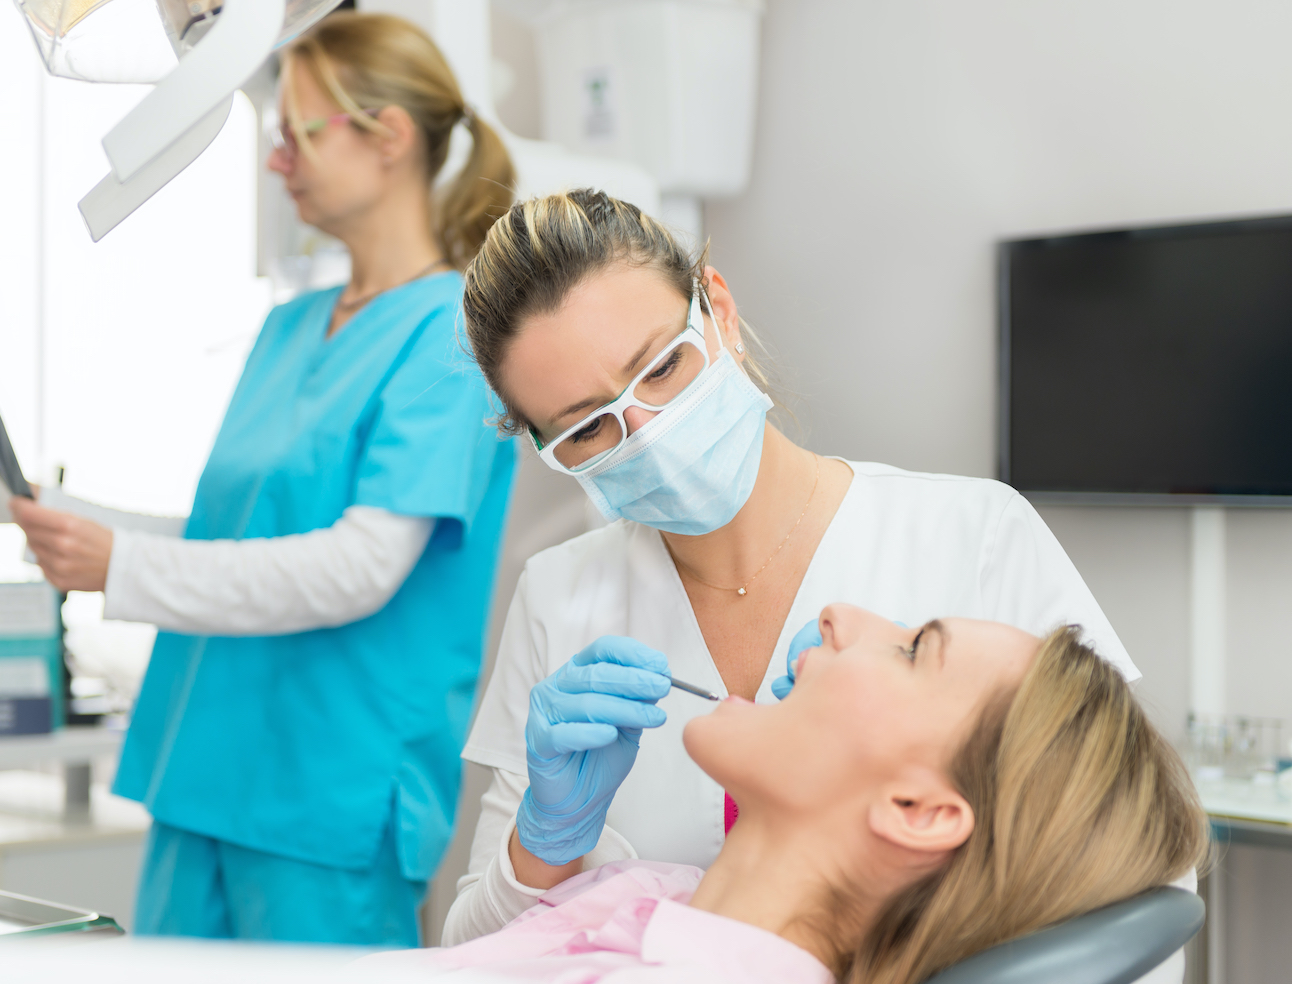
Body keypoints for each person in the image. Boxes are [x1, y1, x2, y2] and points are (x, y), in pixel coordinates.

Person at [0, 12, 516, 946]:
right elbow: (215, 536)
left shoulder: (450, 340)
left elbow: (359, 567)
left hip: (327, 794)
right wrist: (14, 499)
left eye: (297, 133)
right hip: (205, 771)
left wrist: (118, 567)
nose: (277, 160)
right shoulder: (291, 326)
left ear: (388, 138)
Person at [443, 189, 1143, 944]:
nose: (647, 435)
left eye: (663, 367)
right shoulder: (559, 595)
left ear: (718, 310)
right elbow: (471, 953)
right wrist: (542, 845)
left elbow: (1129, 875)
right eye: (588, 428)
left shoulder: (974, 535)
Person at [381, 606, 1206, 984]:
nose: (839, 616)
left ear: (919, 807)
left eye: (915, 648)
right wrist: (549, 841)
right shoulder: (654, 897)